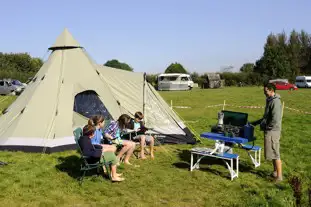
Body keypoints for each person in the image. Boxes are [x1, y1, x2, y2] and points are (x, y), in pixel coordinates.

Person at [251, 83, 283, 182]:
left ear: (271, 90)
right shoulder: (269, 100)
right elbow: (266, 117)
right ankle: (275, 172)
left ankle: (279, 177)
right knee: (272, 153)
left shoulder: (276, 102)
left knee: (275, 153)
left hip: (273, 131)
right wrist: (255, 123)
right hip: (269, 130)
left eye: (266, 91)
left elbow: (275, 119)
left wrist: (267, 127)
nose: (264, 93)